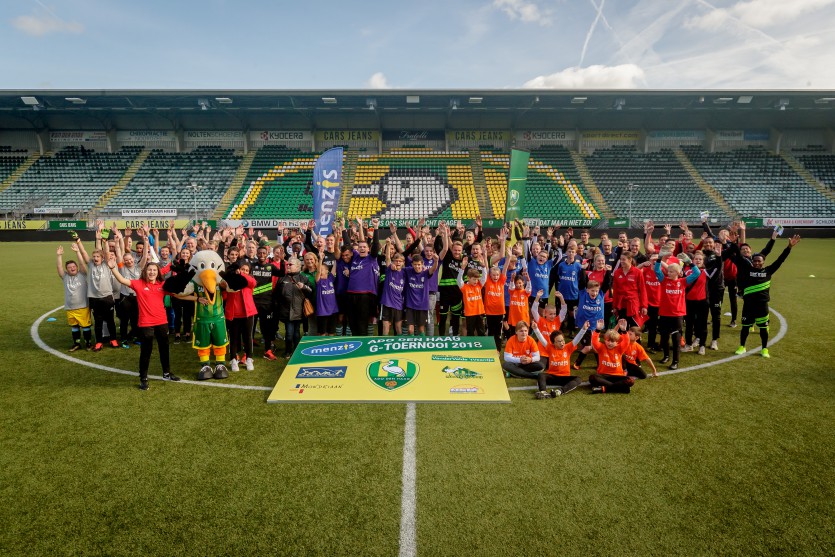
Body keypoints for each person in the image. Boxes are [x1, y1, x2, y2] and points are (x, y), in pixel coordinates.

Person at [108, 260, 181, 390]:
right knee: (146, 352)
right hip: (146, 324)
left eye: (154, 270)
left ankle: (167, 373)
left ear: (158, 272)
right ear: (145, 272)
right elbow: (122, 280)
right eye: (149, 270)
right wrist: (113, 268)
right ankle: (143, 378)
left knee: (164, 349)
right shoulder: (138, 284)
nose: (152, 272)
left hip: (162, 322)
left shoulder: (163, 285)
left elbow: (178, 294)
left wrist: (197, 298)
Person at [732, 235, 800, 357]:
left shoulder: (768, 271)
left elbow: (781, 260)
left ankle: (764, 349)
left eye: (759, 261)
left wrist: (789, 247)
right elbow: (738, 256)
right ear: (752, 261)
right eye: (755, 261)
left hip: (762, 306)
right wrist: (733, 243)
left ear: (763, 262)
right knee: (745, 327)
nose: (757, 263)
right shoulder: (747, 269)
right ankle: (742, 346)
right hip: (748, 305)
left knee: (763, 328)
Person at [655, 255, 701, 370]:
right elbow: (656, 270)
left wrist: (690, 262)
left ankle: (675, 361)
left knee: (676, 340)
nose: (668, 273)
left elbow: (697, 273)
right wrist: (660, 258)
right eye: (668, 271)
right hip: (664, 314)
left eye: (671, 272)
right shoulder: (664, 280)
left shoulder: (683, 282)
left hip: (677, 315)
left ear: (678, 273)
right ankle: (666, 356)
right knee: (664, 338)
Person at [531, 320, 587, 399]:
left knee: (578, 379)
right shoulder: (550, 348)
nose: (562, 343)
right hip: (552, 376)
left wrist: (584, 329)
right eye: (559, 341)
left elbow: (577, 339)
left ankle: (560, 391)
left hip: (564, 377)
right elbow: (541, 339)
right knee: (541, 375)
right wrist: (536, 329)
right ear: (553, 343)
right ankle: (543, 392)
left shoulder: (568, 347)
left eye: (563, 340)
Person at [56, 240, 92, 351]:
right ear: (67, 270)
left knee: (86, 326)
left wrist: (77, 252)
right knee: (74, 327)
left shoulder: (82, 274)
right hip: (70, 308)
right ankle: (76, 344)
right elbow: (59, 268)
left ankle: (88, 344)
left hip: (83, 307)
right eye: (69, 267)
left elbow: (82, 263)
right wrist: (59, 256)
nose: (72, 268)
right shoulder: (65, 277)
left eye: (73, 266)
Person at [224, 262, 257, 371]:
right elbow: (224, 295)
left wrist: (242, 275)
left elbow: (253, 283)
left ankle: (249, 358)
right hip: (233, 314)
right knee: (233, 338)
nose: (244, 271)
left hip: (248, 313)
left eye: (246, 270)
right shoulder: (231, 280)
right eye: (242, 269)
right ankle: (233, 359)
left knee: (248, 337)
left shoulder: (249, 281)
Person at [274, 257, 310, 357]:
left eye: (291, 264)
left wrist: (304, 287)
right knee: (289, 334)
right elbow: (276, 294)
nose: (288, 266)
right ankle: (288, 351)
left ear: (298, 266)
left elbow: (311, 292)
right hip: (286, 311)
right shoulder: (282, 278)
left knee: (297, 333)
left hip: (299, 311)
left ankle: (296, 352)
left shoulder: (303, 278)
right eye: (287, 264)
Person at [588, 319, 635, 394]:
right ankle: (620, 388)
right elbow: (594, 341)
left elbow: (626, 341)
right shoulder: (601, 347)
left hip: (617, 376)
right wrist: (597, 330)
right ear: (605, 340)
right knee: (592, 378)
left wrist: (624, 330)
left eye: (612, 341)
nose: (610, 343)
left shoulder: (619, 348)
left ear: (617, 342)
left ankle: (605, 389)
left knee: (630, 380)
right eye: (608, 340)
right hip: (603, 376)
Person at [403, 253, 439, 337]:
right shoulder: (408, 270)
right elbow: (399, 267)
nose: (417, 266)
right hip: (410, 305)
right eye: (415, 264)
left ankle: (421, 348)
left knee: (421, 329)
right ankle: (411, 347)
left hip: (422, 305)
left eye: (419, 264)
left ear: (422, 264)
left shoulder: (426, 272)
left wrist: (436, 261)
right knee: (410, 329)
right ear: (412, 264)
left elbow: (433, 269)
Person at [682, 251, 709, 355]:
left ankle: (702, 345)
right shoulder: (687, 271)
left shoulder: (706, 272)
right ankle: (688, 344)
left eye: (700, 259)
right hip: (689, 302)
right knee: (689, 324)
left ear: (703, 262)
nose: (698, 260)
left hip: (702, 302)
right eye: (696, 259)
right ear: (692, 261)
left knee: (702, 324)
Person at [457, 256, 487, 337]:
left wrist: (483, 267)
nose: (476, 281)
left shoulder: (479, 285)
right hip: (470, 314)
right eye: (474, 279)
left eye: (477, 279)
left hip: (480, 312)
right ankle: (471, 349)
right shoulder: (464, 287)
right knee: (470, 332)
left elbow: (484, 277)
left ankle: (482, 348)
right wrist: (462, 269)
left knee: (481, 331)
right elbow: (459, 280)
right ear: (468, 278)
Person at [315, 262, 339, 336]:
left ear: (327, 271)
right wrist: (321, 259)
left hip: (333, 310)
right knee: (322, 333)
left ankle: (330, 346)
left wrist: (336, 260)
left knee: (331, 332)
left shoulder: (331, 279)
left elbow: (334, 268)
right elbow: (318, 272)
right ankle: (322, 346)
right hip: (322, 311)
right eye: (319, 270)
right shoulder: (319, 282)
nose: (319, 271)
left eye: (322, 270)